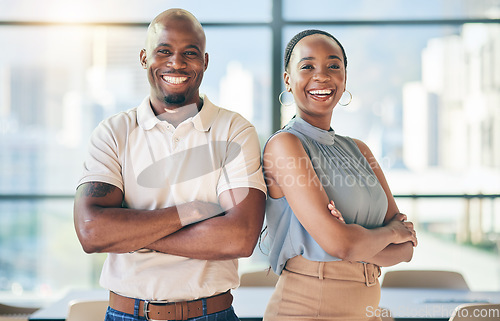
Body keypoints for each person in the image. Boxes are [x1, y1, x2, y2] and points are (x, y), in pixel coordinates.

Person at [73, 8, 266, 321]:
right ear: (143, 58)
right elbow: (92, 232)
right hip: (126, 314)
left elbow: (240, 238)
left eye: (189, 53)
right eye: (164, 51)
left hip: (211, 314)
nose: (176, 63)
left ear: (205, 61)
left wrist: (131, 236)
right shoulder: (114, 132)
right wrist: (190, 212)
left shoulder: (234, 130)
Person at [262, 29, 418, 321]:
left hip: (368, 307)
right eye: (307, 66)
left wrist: (353, 240)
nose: (321, 76)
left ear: (344, 77)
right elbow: (343, 245)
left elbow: (406, 249)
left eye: (333, 66)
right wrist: (389, 233)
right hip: (308, 306)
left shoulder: (360, 149)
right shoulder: (285, 145)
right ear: (288, 79)